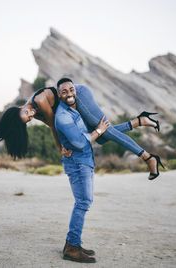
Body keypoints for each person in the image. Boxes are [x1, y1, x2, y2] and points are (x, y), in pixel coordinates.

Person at [0, 78, 164, 180]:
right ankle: (140, 121)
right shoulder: (35, 111)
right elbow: (57, 126)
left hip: (79, 96)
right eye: (28, 119)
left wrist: (60, 148)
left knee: (106, 131)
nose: (31, 115)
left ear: (18, 109)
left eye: (26, 113)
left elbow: (55, 126)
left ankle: (148, 157)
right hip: (70, 106)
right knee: (102, 137)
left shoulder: (38, 101)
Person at [55, 79, 110, 263]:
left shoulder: (75, 109)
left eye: (71, 89)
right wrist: (100, 131)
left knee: (83, 201)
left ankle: (72, 243)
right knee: (83, 202)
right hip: (78, 163)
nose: (69, 93)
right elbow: (79, 143)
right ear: (59, 95)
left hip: (83, 161)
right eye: (64, 91)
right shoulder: (62, 115)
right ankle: (72, 247)